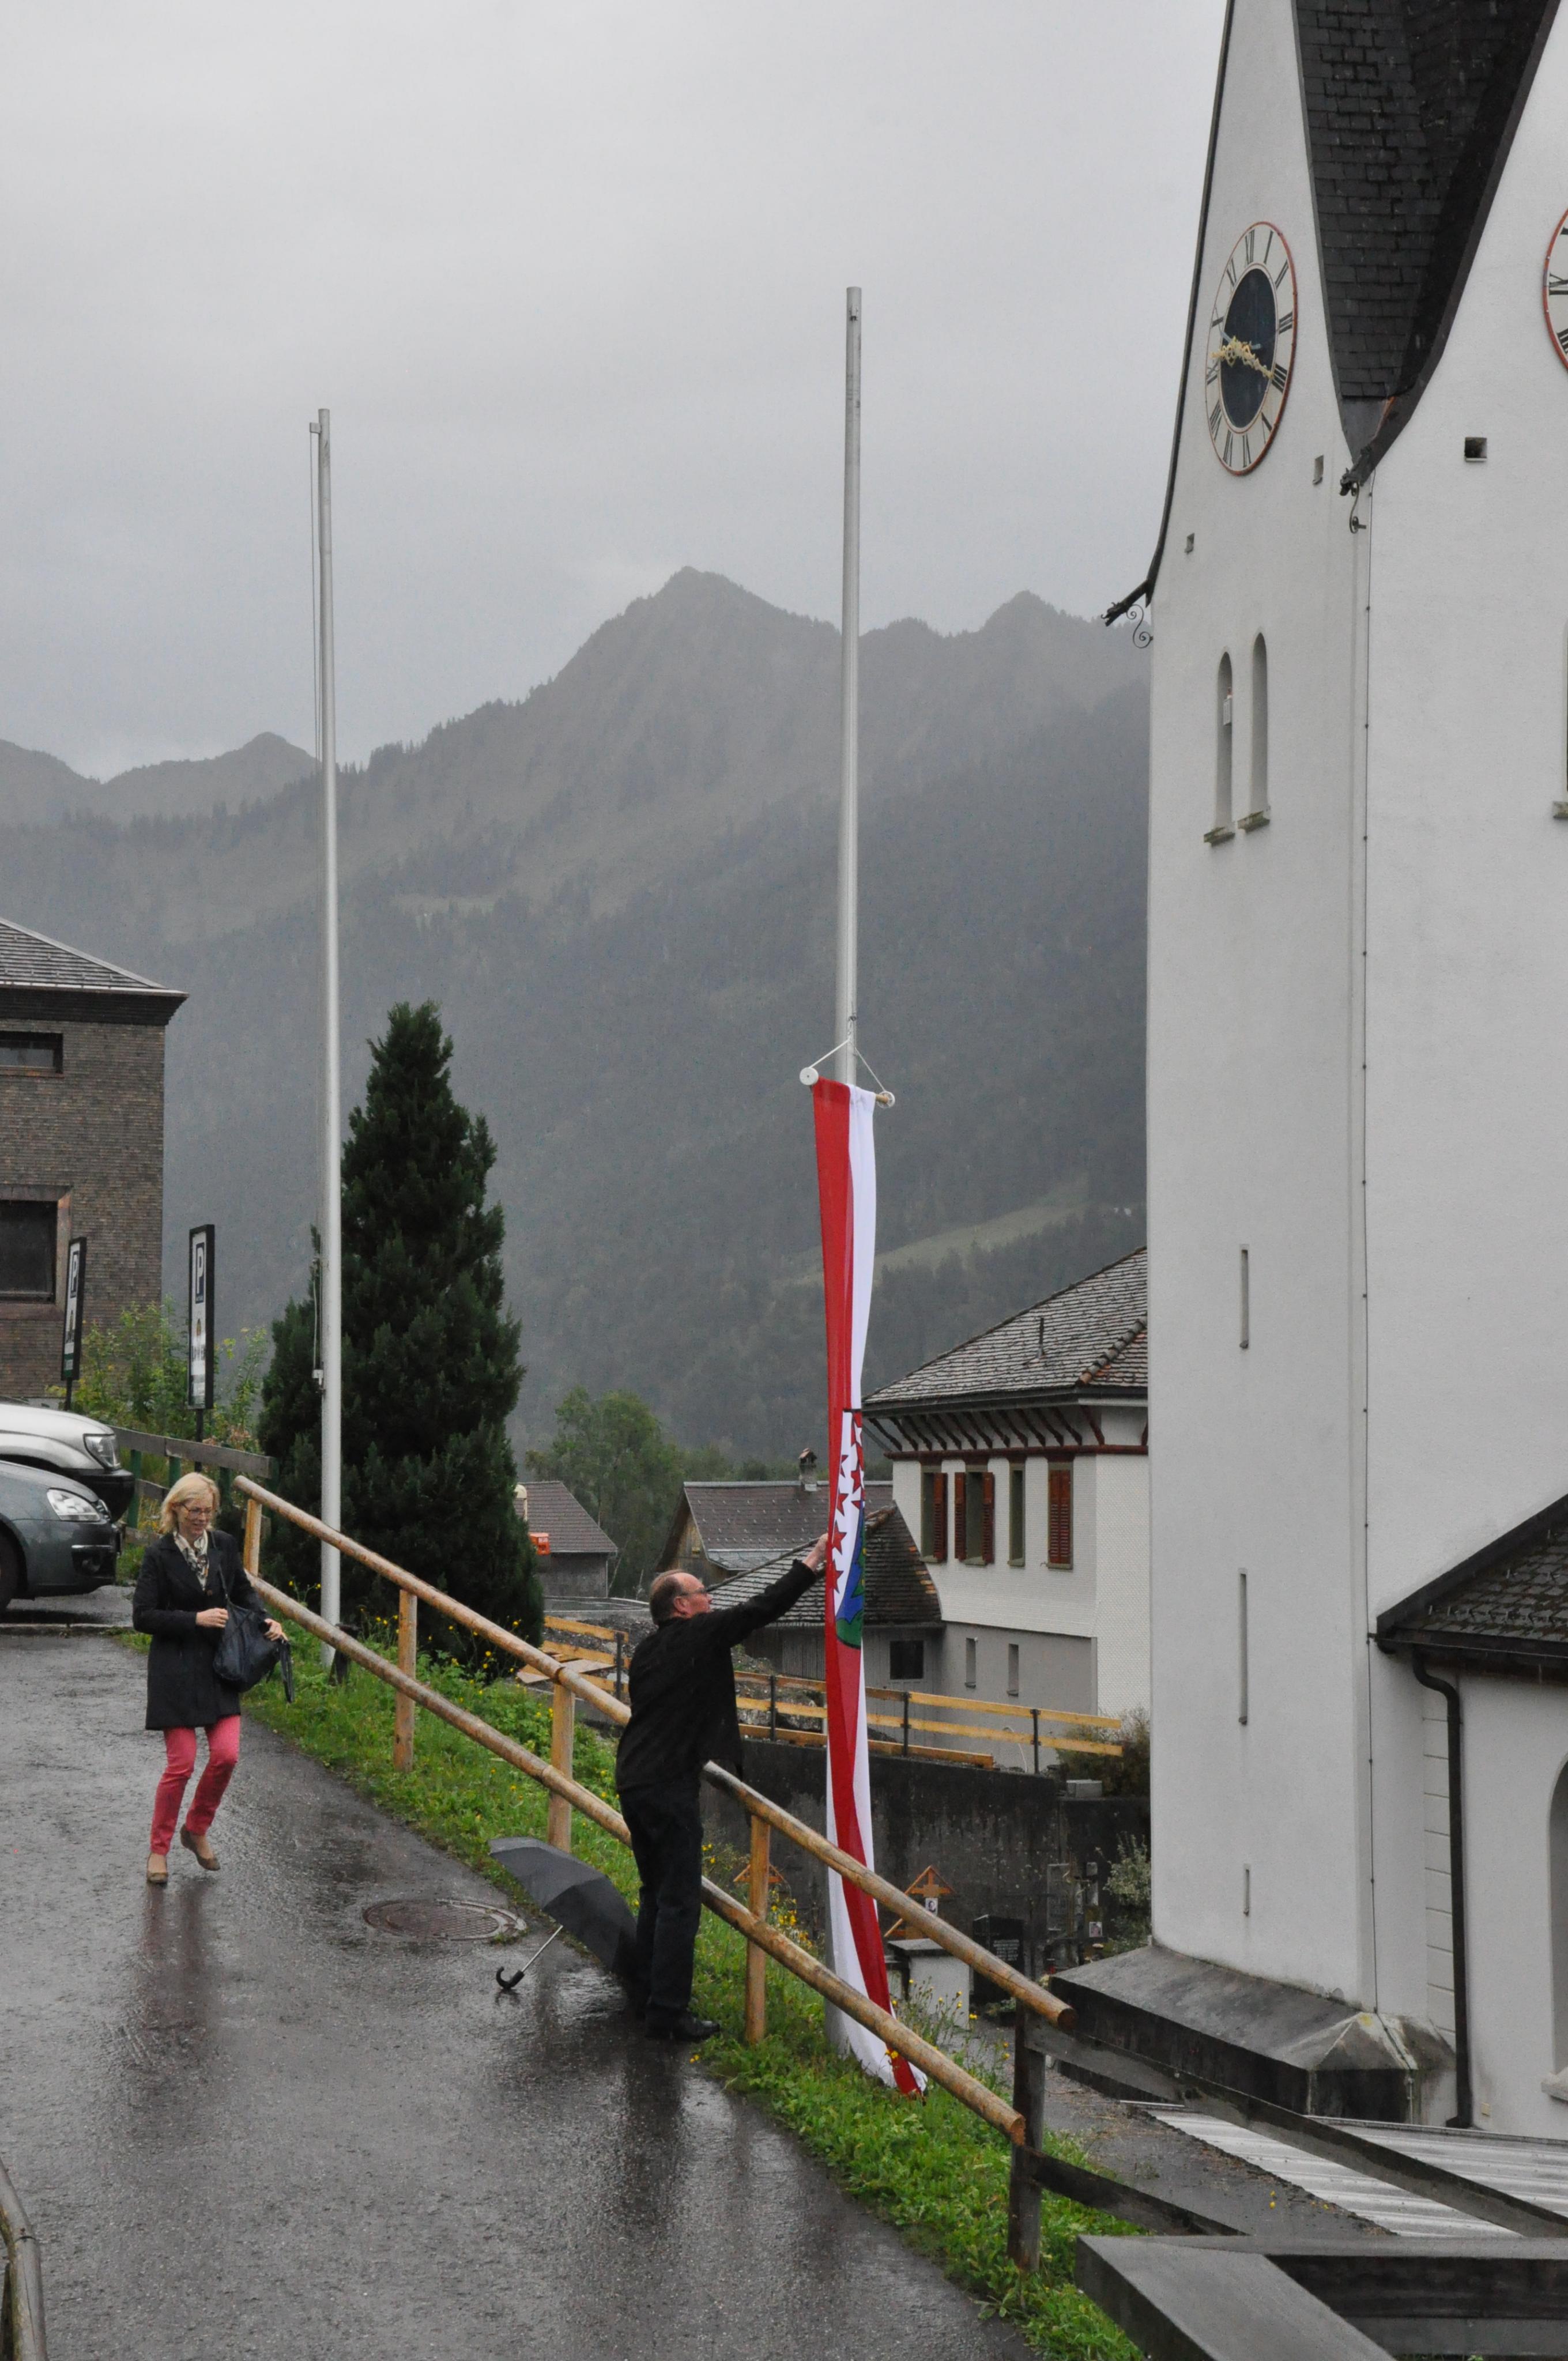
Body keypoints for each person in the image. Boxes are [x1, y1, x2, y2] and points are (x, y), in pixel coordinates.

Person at [616, 1534, 828, 2043]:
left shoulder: (646, 1652)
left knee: (654, 1893)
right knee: (679, 1901)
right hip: (668, 1785)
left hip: (633, 1781)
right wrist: (812, 1563)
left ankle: (645, 1998)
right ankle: (668, 2014)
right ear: (682, 1606)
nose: (710, 1599)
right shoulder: (699, 1634)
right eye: (703, 1593)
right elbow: (760, 1609)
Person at [132, 1471, 284, 1886]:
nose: (202, 1518)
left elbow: (243, 1591)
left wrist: (266, 1620)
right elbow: (142, 1617)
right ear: (176, 1509)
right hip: (175, 1669)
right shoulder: (159, 1555)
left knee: (227, 1755)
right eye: (194, 1510)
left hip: (220, 1668)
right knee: (181, 1764)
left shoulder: (224, 1546)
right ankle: (159, 1850)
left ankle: (196, 1828)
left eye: (208, 1511)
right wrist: (194, 1619)